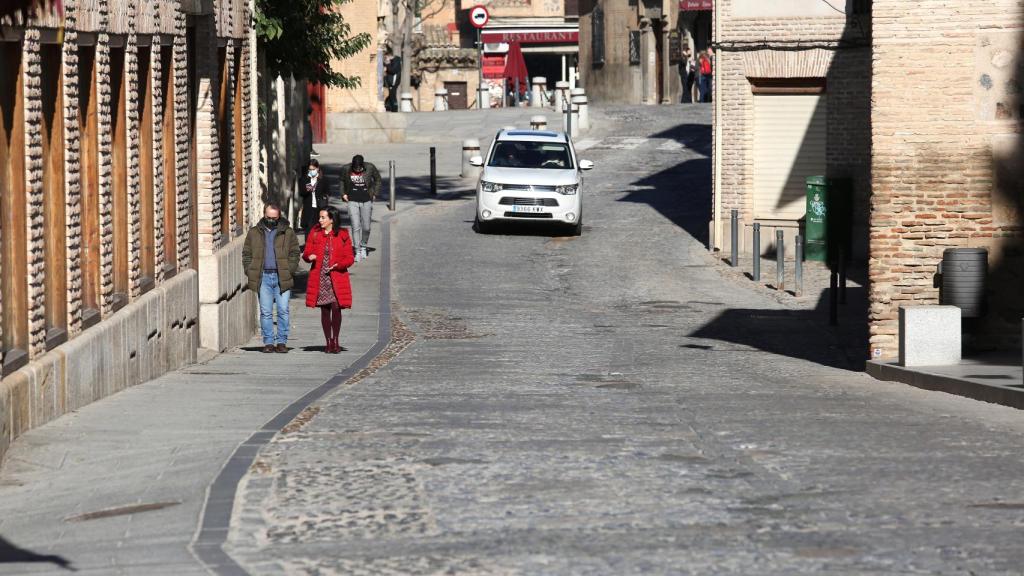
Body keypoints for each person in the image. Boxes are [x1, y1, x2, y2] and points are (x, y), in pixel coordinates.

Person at [242, 203, 301, 353]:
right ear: (264, 215)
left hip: (282, 276)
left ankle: (281, 341)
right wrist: (250, 271)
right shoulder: (254, 233)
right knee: (266, 311)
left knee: (283, 310)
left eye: (274, 218)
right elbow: (246, 254)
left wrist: (290, 270)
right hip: (263, 277)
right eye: (269, 217)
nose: (271, 220)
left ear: (279, 216)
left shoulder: (287, 232)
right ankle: (268, 342)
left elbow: (295, 252)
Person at [302, 206, 355, 353]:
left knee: (336, 309)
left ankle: (336, 340)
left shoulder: (343, 234)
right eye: (319, 217)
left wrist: (340, 265)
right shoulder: (315, 232)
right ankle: (328, 342)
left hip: (337, 277)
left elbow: (350, 257)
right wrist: (309, 257)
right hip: (320, 277)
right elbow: (306, 252)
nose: (320, 220)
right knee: (325, 310)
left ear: (332, 219)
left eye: (323, 217)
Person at [340, 154, 381, 262]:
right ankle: (357, 251)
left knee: (366, 227)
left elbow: (378, 179)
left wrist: (374, 193)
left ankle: (363, 246)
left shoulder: (370, 167)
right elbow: (341, 181)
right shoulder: (346, 169)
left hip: (366, 200)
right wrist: (343, 194)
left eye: (360, 168)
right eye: (355, 169)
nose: (358, 170)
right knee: (355, 225)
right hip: (352, 200)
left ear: (363, 165)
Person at [299, 159, 330, 233]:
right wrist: (309, 188)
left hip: (319, 208)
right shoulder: (304, 179)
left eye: (313, 169)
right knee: (309, 229)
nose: (312, 171)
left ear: (317, 168)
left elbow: (328, 192)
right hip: (308, 208)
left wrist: (324, 197)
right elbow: (301, 193)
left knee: (319, 229)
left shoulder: (323, 179)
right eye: (310, 169)